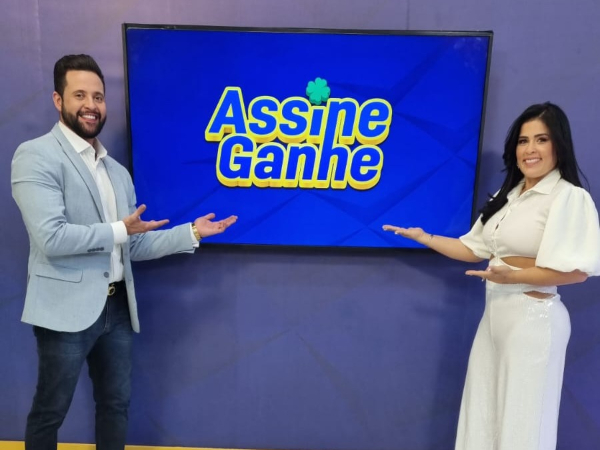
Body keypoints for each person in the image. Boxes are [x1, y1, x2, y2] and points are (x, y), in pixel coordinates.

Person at [11, 54, 237, 449]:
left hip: (116, 309)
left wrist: (191, 233)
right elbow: (52, 238)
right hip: (64, 311)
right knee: (50, 411)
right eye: (80, 95)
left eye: (98, 97)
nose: (91, 105)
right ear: (58, 100)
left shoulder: (116, 172)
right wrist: (119, 230)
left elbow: (132, 244)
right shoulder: (36, 155)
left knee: (115, 405)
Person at [383, 102, 600, 450]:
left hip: (534, 320)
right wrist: (426, 238)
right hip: (495, 317)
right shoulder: (507, 196)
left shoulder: (569, 197)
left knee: (524, 424)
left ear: (558, 145)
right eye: (523, 141)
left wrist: (514, 278)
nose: (530, 149)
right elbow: (474, 248)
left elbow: (575, 272)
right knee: (481, 418)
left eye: (541, 139)